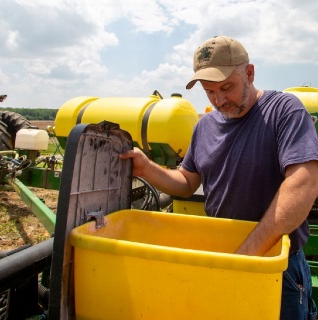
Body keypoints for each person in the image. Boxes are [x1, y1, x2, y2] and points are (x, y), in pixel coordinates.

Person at [120, 35, 318, 319]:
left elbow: (303, 183)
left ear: (249, 73)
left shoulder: (284, 111)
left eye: (227, 87)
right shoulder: (205, 126)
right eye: (209, 91)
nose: (219, 99)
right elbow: (187, 183)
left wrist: (245, 257)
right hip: (223, 256)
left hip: (277, 266)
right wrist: (146, 167)